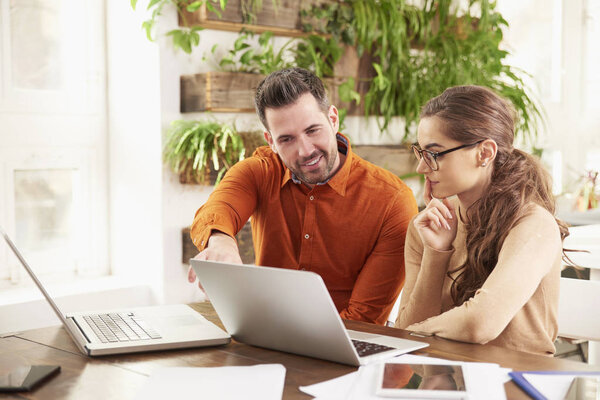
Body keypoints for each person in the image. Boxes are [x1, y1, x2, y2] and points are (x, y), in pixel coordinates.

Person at [188, 67, 418, 325]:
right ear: (270, 141)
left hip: (351, 345)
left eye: (312, 130)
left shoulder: (392, 201)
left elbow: (365, 320)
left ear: (333, 119)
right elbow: (218, 208)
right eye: (286, 139)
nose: (305, 150)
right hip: (266, 336)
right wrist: (221, 242)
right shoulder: (261, 171)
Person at [394, 85, 569, 355]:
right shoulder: (427, 228)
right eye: (421, 153)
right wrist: (437, 252)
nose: (421, 168)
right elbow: (405, 334)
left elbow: (479, 324)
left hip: (519, 383)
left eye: (435, 154)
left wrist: (413, 330)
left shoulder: (533, 224)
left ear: (485, 153)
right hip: (444, 379)